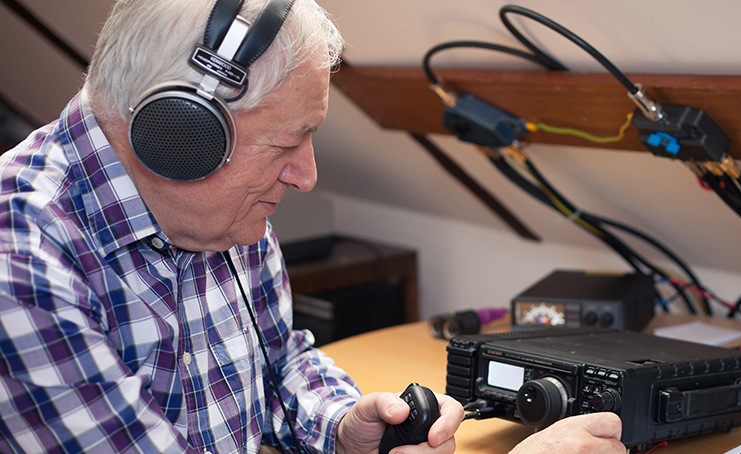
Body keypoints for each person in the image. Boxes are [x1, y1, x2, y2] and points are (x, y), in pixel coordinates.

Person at [0, 0, 626, 453]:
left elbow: (278, 360)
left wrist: (342, 423)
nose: (305, 175)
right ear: (180, 135)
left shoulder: (219, 211)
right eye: (288, 142)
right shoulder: (19, 258)